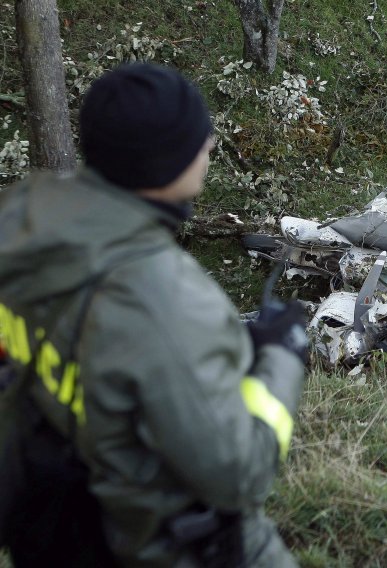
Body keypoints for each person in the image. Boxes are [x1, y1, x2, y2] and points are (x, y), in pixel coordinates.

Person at [0, 63, 306, 567]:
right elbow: (238, 475)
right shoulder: (166, 298)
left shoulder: (20, 217)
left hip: (50, 523)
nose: (210, 147)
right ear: (166, 162)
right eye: (199, 138)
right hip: (155, 543)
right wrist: (283, 355)